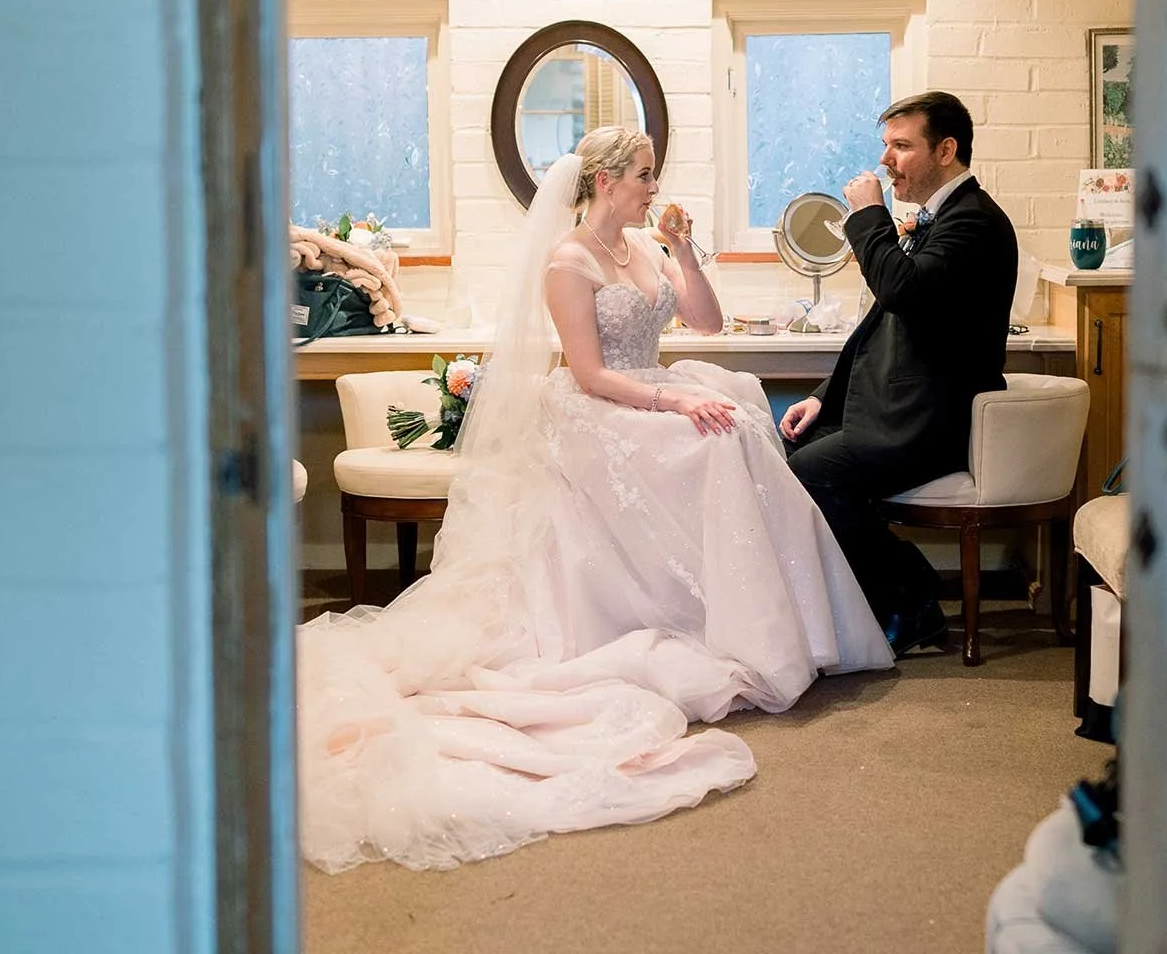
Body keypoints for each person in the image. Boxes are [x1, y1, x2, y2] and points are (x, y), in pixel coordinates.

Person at [296, 127, 891, 873]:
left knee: (737, 418)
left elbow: (704, 323)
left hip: (651, 387)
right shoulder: (567, 260)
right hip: (601, 407)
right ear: (606, 181)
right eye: (644, 176)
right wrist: (669, 402)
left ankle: (770, 622)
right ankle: (719, 618)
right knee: (710, 437)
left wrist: (683, 250)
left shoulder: (641, 246)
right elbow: (588, 373)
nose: (653, 187)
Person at [781, 91, 1020, 653]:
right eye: (886, 145)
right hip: (897, 409)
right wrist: (823, 397)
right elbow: (878, 324)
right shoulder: (940, 219)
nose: (886, 160)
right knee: (794, 446)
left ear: (946, 149)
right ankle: (867, 605)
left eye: (902, 146)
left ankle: (912, 601)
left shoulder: (975, 223)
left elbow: (899, 289)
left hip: (931, 420)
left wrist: (867, 217)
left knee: (808, 474)